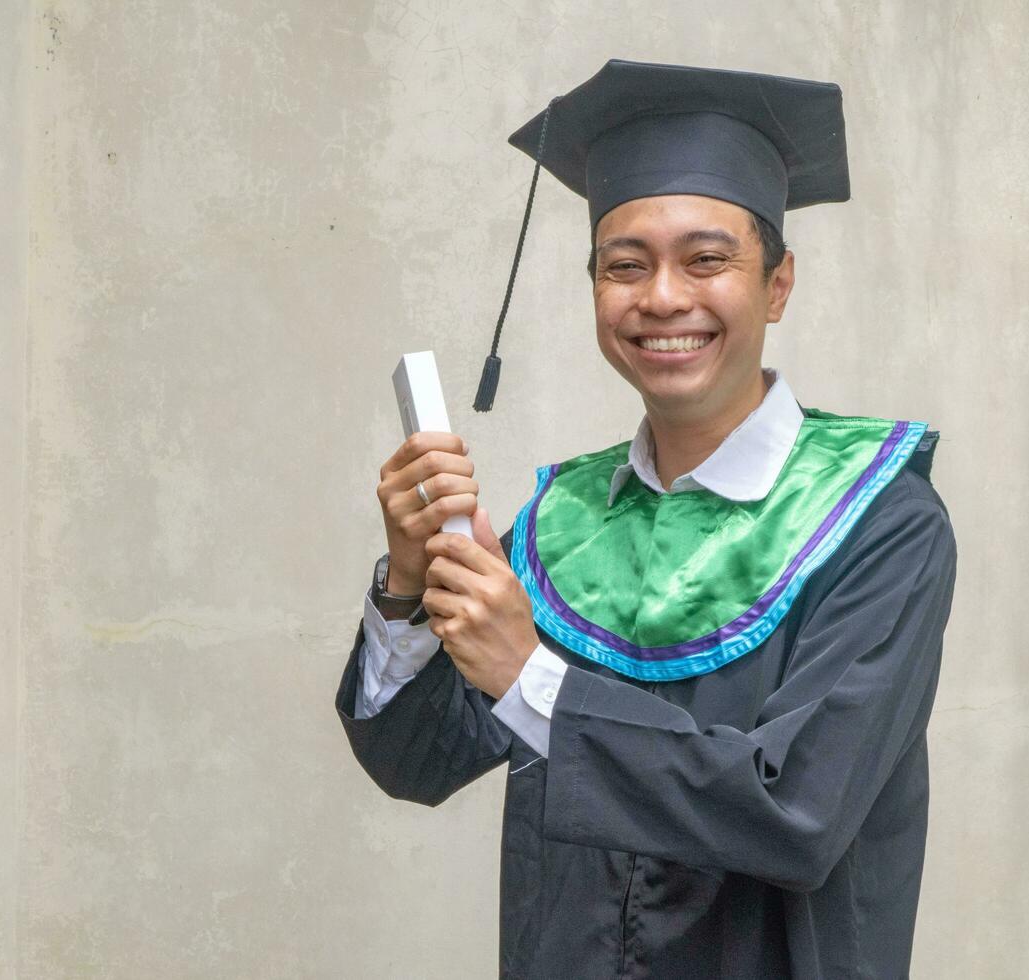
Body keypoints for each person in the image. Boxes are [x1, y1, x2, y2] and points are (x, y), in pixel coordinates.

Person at [334, 59, 958, 979]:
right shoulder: (564, 523)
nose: (663, 298)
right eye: (626, 266)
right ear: (596, 289)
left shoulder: (877, 521)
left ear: (778, 285)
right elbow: (418, 762)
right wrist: (409, 589)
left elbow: (798, 816)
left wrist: (532, 676)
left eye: (707, 260)